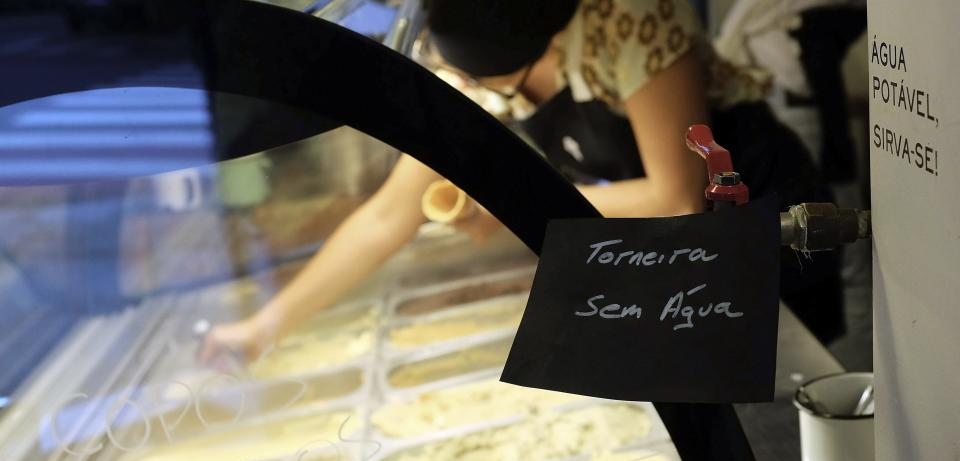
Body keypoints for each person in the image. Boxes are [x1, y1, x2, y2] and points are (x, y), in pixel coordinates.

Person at [201, 0, 843, 365]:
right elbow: (386, 217)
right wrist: (261, 330)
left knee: (795, 373)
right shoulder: (464, 57)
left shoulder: (631, 23)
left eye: (487, 85)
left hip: (755, 214)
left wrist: (515, 199)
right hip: (665, 250)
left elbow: (677, 194)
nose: (472, 92)